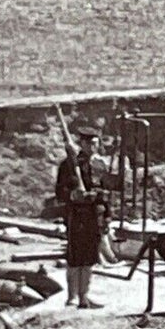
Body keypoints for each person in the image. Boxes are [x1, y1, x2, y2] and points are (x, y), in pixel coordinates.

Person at [56, 127, 107, 308]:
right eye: (88, 143)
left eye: (95, 143)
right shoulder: (69, 165)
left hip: (95, 216)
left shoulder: (100, 165)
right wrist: (72, 195)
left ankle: (84, 296)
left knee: (90, 258)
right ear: (81, 144)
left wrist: (106, 215)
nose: (92, 147)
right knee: (74, 257)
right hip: (76, 217)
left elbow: (107, 192)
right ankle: (72, 297)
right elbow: (60, 192)